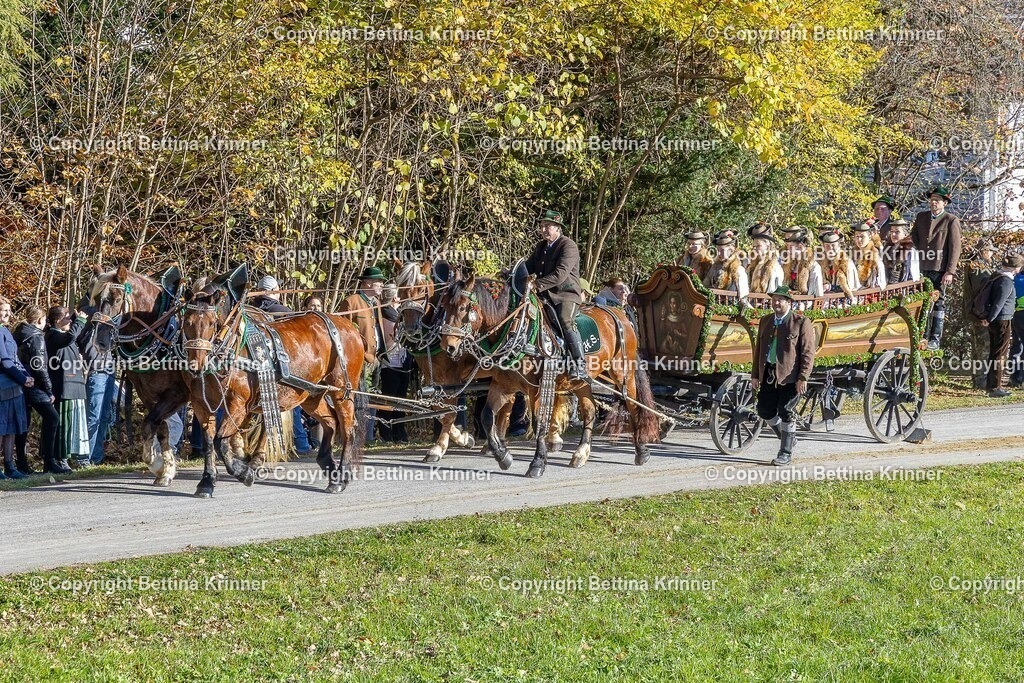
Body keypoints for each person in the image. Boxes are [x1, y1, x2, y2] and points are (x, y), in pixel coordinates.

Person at [751, 286, 815, 466]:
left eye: (780, 300)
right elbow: (758, 350)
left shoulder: (801, 322)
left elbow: (808, 353)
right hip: (769, 374)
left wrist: (803, 377)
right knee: (764, 410)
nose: (776, 303)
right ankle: (788, 438)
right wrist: (755, 374)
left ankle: (785, 452)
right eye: (773, 299)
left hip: (790, 376)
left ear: (789, 302)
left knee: (786, 411)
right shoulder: (766, 321)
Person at [524, 209, 588, 381]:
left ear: (558, 228)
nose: (544, 229)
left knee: (564, 319)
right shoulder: (541, 247)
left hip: (565, 294)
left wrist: (536, 284)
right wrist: (512, 273)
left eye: (548, 226)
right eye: (542, 226)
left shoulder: (568, 245)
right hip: (544, 295)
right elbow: (527, 267)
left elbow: (560, 274)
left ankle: (579, 364)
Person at [912, 186, 963, 350]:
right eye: (932, 199)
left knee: (938, 302)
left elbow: (955, 248)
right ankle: (921, 335)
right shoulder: (921, 217)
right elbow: (914, 239)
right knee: (921, 301)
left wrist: (950, 271)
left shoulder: (951, 220)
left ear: (944, 203)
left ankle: (935, 338)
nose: (933, 202)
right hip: (921, 267)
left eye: (937, 200)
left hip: (939, 269)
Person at [340, 266, 387, 442]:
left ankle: (368, 435)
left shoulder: (375, 303)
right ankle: (358, 437)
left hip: (376, 358)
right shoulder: (351, 302)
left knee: (372, 396)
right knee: (359, 397)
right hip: (359, 358)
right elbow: (343, 332)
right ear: (367, 283)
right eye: (378, 282)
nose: (381, 285)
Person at [13, 306, 57, 475]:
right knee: (52, 417)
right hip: (34, 384)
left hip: (19, 382)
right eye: (44, 320)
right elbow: (39, 366)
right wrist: (49, 389)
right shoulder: (36, 336)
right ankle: (49, 461)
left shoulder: (18, 333)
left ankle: (22, 463)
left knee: (24, 423)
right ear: (39, 320)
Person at [48, 306, 91, 468]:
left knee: (76, 424)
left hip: (76, 386)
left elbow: (73, 339)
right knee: (64, 425)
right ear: (57, 320)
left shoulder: (65, 335)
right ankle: (61, 458)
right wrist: (80, 321)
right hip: (64, 388)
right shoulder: (53, 335)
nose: (71, 320)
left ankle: (78, 456)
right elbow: (70, 338)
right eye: (67, 317)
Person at [77, 297, 117, 465]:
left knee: (105, 416)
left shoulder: (112, 313)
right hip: (96, 370)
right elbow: (83, 341)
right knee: (93, 416)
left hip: (110, 370)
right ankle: (85, 457)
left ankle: (96, 456)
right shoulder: (90, 311)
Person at [979, 255, 1024, 398]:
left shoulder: (996, 277)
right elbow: (999, 302)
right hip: (1002, 320)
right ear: (1015, 267)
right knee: (999, 354)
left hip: (999, 319)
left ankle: (991, 385)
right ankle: (995, 387)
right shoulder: (1006, 281)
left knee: (995, 353)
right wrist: (990, 318)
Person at [0, 297, 33, 480]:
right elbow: (4, 361)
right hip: (3, 386)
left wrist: (27, 376)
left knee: (11, 428)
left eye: (9, 310)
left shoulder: (5, 330)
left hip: (14, 385)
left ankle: (10, 466)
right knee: (1, 428)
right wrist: (22, 378)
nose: (8, 313)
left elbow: (14, 358)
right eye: (4, 310)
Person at [378, 282, 412, 443]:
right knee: (389, 398)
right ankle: (386, 432)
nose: (400, 298)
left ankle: (400, 431)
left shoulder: (400, 313)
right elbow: (390, 337)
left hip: (403, 359)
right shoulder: (386, 314)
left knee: (401, 399)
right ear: (393, 297)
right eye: (398, 295)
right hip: (390, 360)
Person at [963, 238, 999, 389]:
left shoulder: (975, 265)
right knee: (983, 349)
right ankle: (980, 383)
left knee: (978, 349)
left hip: (974, 312)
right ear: (984, 251)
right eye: (990, 251)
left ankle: (977, 381)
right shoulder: (979, 269)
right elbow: (982, 293)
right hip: (979, 314)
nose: (991, 254)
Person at [702, 230, 749, 301]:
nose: (719, 254)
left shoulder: (738, 269)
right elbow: (706, 285)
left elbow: (742, 294)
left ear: (732, 250)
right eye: (717, 250)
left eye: (722, 250)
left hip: (731, 305)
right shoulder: (715, 267)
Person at [818, 227, 859, 299]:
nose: (830, 249)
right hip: (829, 298)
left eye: (833, 245)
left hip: (846, 299)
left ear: (839, 245)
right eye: (827, 246)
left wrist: (830, 287)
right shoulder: (824, 264)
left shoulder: (847, 263)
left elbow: (850, 288)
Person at [780, 229, 823, 298]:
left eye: (790, 247)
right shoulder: (789, 264)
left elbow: (818, 293)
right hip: (789, 300)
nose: (787, 250)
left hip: (806, 302)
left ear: (800, 247)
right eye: (787, 246)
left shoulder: (814, 266)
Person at [745, 223, 783, 294]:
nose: (755, 249)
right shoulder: (751, 264)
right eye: (754, 246)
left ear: (768, 245)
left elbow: (774, 291)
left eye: (758, 246)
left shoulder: (775, 266)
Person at [850, 221, 887, 290]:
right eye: (857, 236)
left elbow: (878, 283)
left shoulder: (874, 257)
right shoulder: (852, 254)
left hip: (868, 292)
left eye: (862, 236)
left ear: (869, 237)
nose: (859, 239)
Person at [883, 219, 921, 284]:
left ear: (905, 234)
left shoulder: (910, 251)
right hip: (888, 287)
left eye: (897, 232)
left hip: (904, 287)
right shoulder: (887, 249)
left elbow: (914, 274)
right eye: (892, 232)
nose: (893, 234)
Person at [1009, 262, 1024, 388]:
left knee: (1016, 346)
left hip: (1016, 315)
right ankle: (1021, 378)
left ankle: (1014, 377)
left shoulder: (1015, 278)